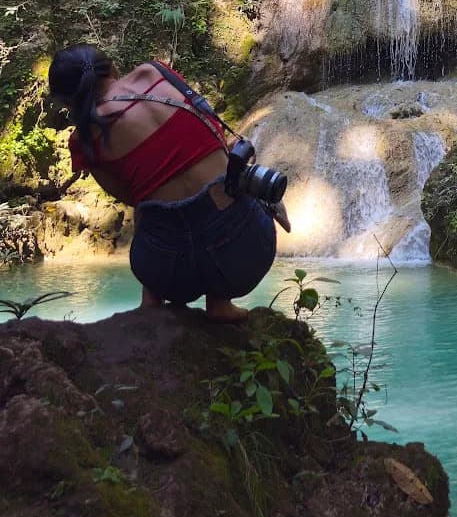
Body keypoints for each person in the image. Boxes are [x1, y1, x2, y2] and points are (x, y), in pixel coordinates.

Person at [48, 45, 290, 323]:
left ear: (67, 102)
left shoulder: (84, 141)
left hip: (170, 273)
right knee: (224, 189)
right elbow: (210, 127)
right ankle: (220, 303)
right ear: (112, 67)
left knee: (150, 209)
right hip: (245, 253)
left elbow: (133, 198)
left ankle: (151, 304)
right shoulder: (156, 73)